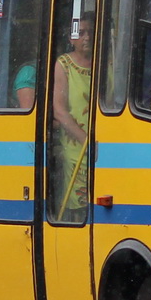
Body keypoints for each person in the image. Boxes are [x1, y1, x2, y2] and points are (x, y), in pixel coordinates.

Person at [51, 15, 93, 221]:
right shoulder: (64, 65)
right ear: (72, 38)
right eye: (81, 32)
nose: (87, 37)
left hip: (107, 147)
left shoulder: (108, 63)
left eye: (91, 32)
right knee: (78, 210)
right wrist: (85, 140)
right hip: (77, 148)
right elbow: (59, 110)